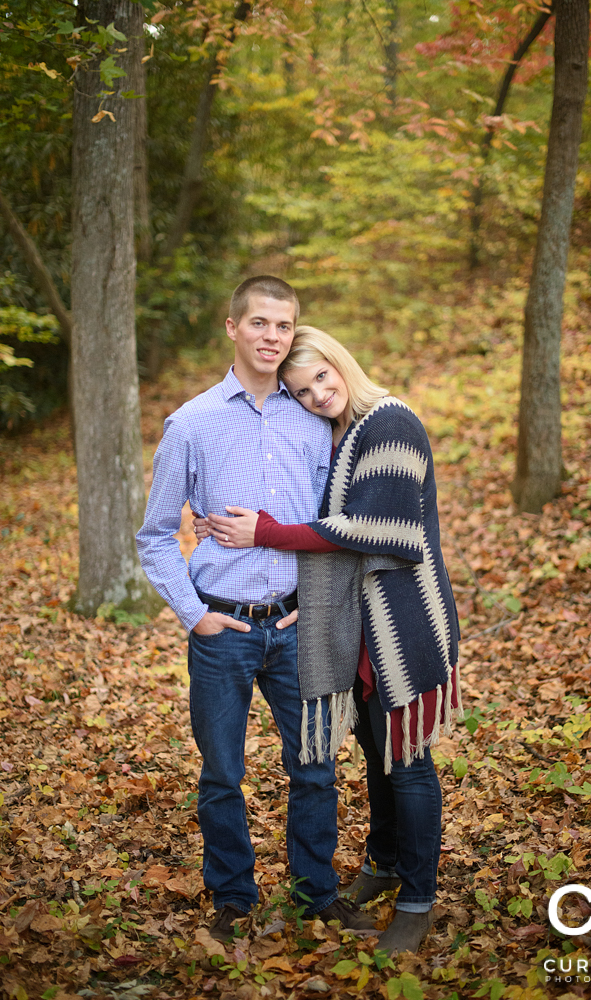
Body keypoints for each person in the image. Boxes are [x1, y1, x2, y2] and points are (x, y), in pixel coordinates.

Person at [193, 325, 462, 954]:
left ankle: (417, 899)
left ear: (342, 362)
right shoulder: (343, 435)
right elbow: (310, 505)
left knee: (409, 762)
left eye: (321, 377)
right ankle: (384, 864)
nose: (316, 395)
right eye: (301, 389)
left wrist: (269, 534)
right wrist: (225, 522)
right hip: (359, 626)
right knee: (376, 754)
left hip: (404, 622)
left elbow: (382, 531)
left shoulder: (390, 422)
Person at [136, 281, 376, 942]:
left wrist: (319, 602)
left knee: (316, 768)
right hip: (223, 628)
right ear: (232, 327)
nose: (271, 336)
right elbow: (155, 535)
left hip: (300, 624)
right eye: (259, 323)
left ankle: (315, 896)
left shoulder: (317, 419)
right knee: (221, 773)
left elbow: (334, 525)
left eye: (283, 326)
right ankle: (233, 900)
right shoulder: (191, 425)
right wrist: (194, 615)